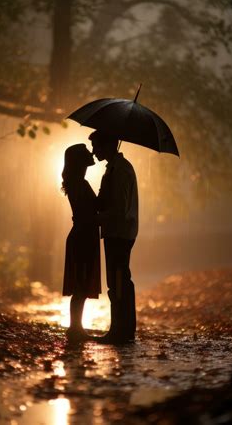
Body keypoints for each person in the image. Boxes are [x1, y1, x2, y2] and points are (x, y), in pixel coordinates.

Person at [89, 130, 138, 344]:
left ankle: (121, 330)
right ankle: (123, 329)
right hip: (117, 232)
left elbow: (118, 209)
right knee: (119, 280)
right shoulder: (113, 170)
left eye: (96, 146)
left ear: (108, 145)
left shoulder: (120, 171)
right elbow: (105, 201)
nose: (94, 151)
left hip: (119, 232)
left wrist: (95, 219)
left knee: (118, 281)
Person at [61, 143, 101, 341]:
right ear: (79, 160)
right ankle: (75, 328)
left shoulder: (77, 183)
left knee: (81, 286)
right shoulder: (80, 184)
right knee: (80, 286)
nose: (91, 153)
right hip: (83, 237)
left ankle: (76, 327)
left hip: (82, 235)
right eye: (87, 152)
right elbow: (93, 209)